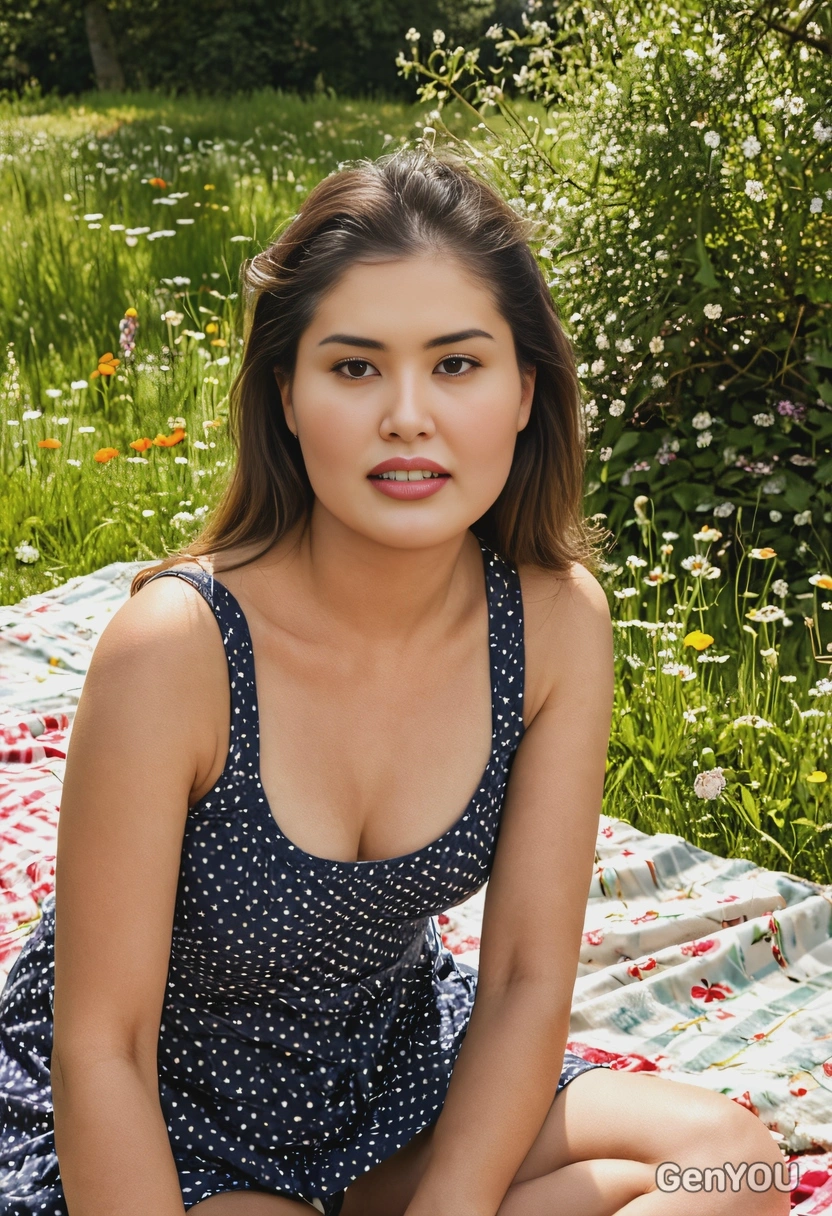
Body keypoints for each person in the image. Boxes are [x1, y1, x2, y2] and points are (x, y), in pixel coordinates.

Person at [0, 146, 788, 1216]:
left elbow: (519, 981)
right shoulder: (173, 649)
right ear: (286, 394)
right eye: (355, 366)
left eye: (457, 364)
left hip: (394, 1073)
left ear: (523, 392)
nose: (407, 415)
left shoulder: (554, 621)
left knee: (734, 1166)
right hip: (160, 1108)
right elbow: (104, 1046)